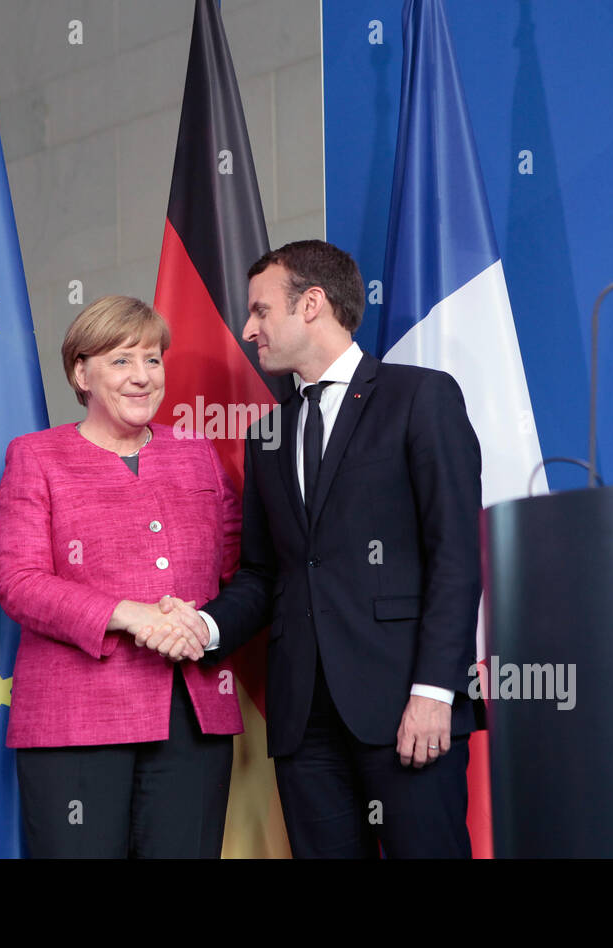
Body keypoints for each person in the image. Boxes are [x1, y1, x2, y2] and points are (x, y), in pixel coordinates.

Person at [144, 240, 484, 858]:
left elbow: (456, 556)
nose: (248, 330)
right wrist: (202, 625)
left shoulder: (420, 398)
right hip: (304, 724)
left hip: (406, 706)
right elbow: (260, 573)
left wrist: (435, 692)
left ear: (312, 304)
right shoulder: (266, 433)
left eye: (259, 311)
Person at [0, 295, 243, 858]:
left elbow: (240, 570)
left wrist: (202, 625)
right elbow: (20, 580)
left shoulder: (197, 454)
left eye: (153, 360)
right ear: (81, 371)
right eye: (121, 360)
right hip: (75, 721)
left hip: (194, 718)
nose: (142, 376)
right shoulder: (36, 456)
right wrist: (130, 615)